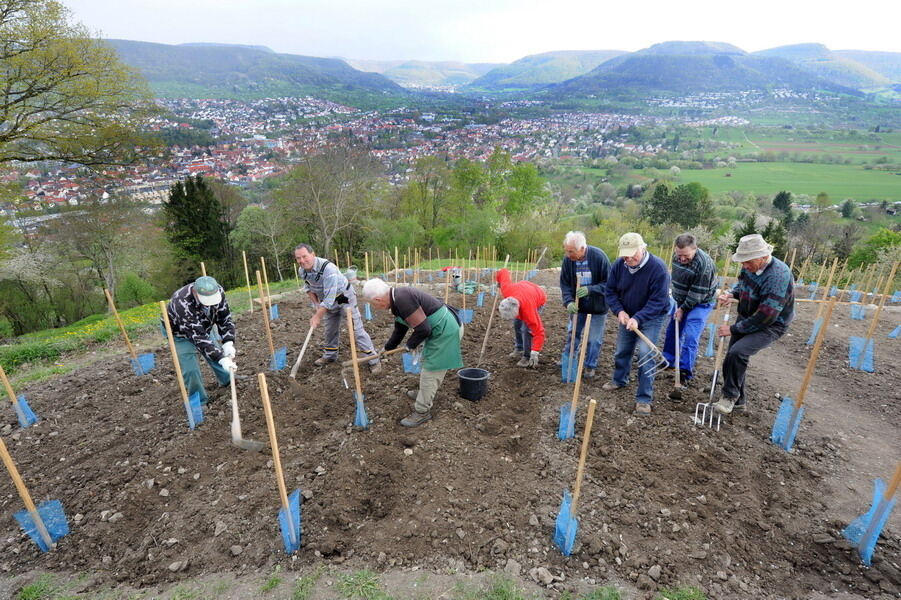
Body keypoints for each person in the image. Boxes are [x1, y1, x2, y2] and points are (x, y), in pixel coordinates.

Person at [362, 278, 463, 427]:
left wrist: (410, 345)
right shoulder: (397, 298)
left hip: (446, 332)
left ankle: (422, 412)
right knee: (427, 363)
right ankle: (424, 393)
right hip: (439, 329)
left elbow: (424, 329)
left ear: (377, 299)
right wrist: (388, 348)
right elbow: (400, 328)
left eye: (373, 305)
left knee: (431, 371)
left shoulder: (402, 300)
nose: (375, 308)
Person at [713, 234, 794, 415]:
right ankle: (739, 402)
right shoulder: (750, 266)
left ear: (763, 257)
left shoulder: (778, 275)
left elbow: (766, 316)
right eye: (742, 262)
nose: (744, 266)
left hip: (771, 324)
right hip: (748, 317)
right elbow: (742, 285)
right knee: (732, 359)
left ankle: (729, 396)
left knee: (738, 352)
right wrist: (732, 294)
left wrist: (733, 329)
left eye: (747, 261)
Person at [603, 233, 671, 415]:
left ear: (643, 248)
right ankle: (619, 379)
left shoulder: (658, 269)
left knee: (645, 353)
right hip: (627, 313)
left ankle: (643, 398)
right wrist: (619, 311)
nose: (629, 258)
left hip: (652, 317)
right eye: (625, 254)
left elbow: (658, 301)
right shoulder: (619, 266)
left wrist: (638, 318)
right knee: (622, 350)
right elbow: (610, 291)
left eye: (633, 253)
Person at [294, 243, 381, 374]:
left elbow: (330, 298)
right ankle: (330, 356)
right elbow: (308, 289)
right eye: (298, 258)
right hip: (326, 301)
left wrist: (318, 315)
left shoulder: (327, 268)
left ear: (313, 254)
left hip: (343, 297)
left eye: (304, 256)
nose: (302, 260)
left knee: (356, 329)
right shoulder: (302, 271)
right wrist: (317, 306)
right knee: (330, 329)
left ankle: (373, 360)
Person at [166, 276, 236, 404]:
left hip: (203, 326)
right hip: (179, 333)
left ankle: (228, 380)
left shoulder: (217, 291)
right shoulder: (181, 302)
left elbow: (224, 318)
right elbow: (199, 338)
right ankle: (199, 401)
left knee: (216, 353)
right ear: (195, 293)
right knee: (190, 369)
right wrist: (221, 357)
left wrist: (228, 341)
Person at [661, 234, 718, 383]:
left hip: (701, 302)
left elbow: (697, 293)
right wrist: (678, 305)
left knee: (691, 335)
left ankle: (685, 370)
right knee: (673, 328)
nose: (682, 259)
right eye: (679, 255)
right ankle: (669, 359)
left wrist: (683, 308)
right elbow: (676, 281)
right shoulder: (677, 257)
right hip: (681, 300)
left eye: (686, 255)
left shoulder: (704, 264)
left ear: (695, 249)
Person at [559, 230, 611, 379]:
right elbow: (565, 284)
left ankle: (590, 365)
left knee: (594, 339)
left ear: (582, 249)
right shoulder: (568, 261)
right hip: (578, 305)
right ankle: (569, 362)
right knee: (573, 334)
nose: (568, 255)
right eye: (567, 251)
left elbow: (609, 284)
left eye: (571, 251)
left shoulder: (599, 257)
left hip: (598, 306)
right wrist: (568, 301)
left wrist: (590, 289)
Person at [496, 267, 547, 367]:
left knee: (526, 329)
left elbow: (539, 332)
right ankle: (519, 348)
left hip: (538, 296)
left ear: (518, 310)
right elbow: (503, 271)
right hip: (524, 288)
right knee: (517, 324)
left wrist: (535, 351)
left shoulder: (529, 311)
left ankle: (527, 356)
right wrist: (499, 282)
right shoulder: (506, 290)